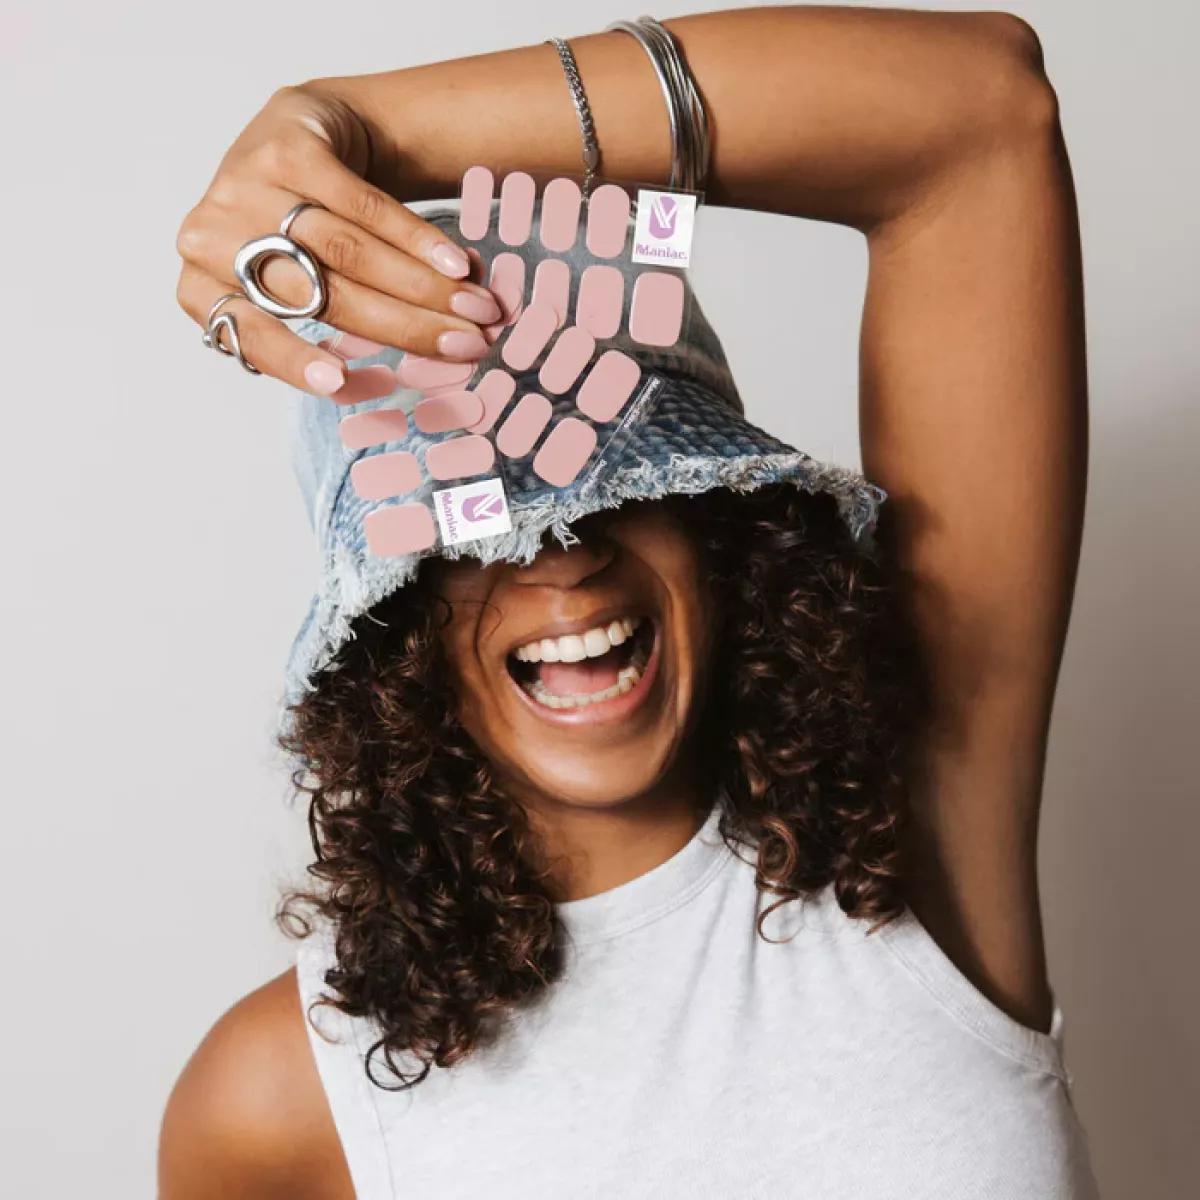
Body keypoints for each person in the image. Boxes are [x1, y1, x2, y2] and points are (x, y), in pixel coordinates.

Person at [161, 7, 1097, 1198]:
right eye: (477, 522)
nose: (561, 560)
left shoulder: (921, 849)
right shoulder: (276, 1105)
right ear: (394, 621)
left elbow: (979, 110)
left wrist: (352, 126)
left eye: (619, 484)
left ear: (720, 529)